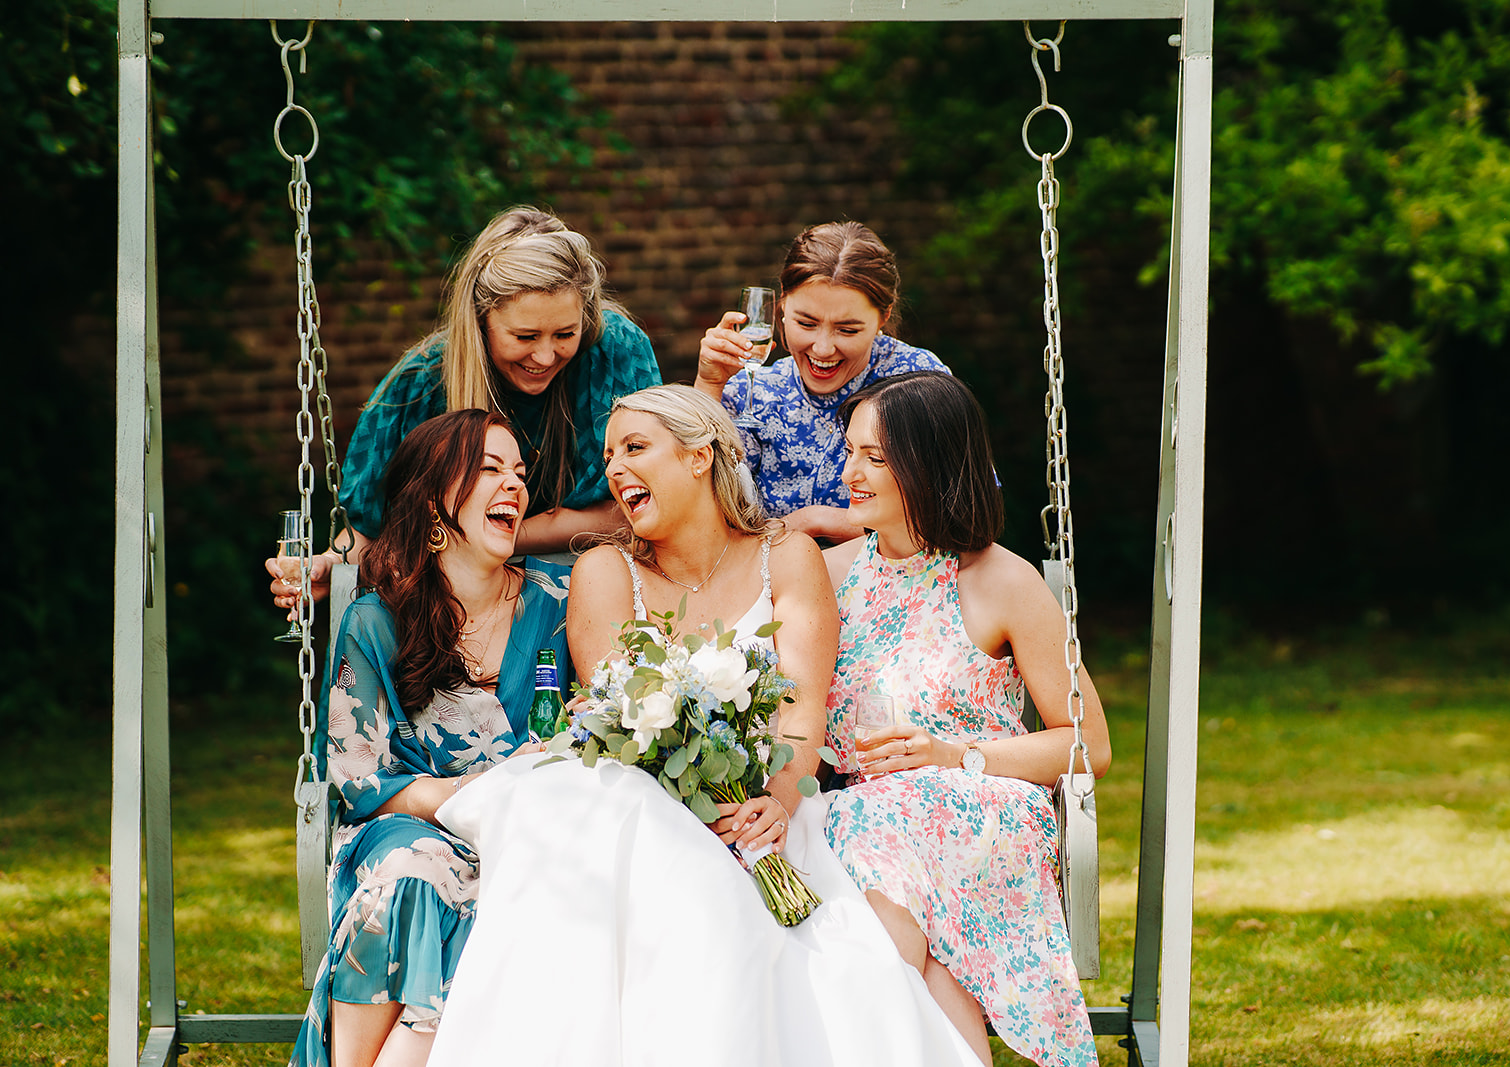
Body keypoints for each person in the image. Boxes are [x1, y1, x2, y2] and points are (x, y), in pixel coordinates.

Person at [422, 385, 982, 1066]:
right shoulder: (605, 570)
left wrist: (777, 800)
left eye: (635, 447)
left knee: (821, 959)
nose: (615, 469)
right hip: (639, 802)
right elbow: (620, 718)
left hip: (765, 809)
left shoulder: (787, 555)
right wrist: (703, 802)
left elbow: (805, 709)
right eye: (609, 455)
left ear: (699, 456)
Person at [820, 371, 1113, 1067]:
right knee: (917, 928)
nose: (849, 472)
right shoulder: (829, 575)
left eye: (875, 458)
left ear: (929, 465)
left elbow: (1088, 743)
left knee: (878, 846)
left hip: (980, 810)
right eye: (851, 450)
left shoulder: (1002, 580)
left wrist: (952, 754)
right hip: (866, 815)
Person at [288, 409, 571, 1067]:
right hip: (403, 825)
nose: (515, 486)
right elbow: (356, 778)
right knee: (413, 873)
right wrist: (462, 793)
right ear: (437, 498)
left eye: (520, 473)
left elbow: (585, 728)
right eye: (491, 469)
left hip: (527, 835)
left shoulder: (556, 605)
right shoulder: (376, 619)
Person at [267, 206, 660, 616]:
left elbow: (635, 504)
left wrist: (497, 534)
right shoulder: (418, 384)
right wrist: (330, 567)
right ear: (480, 319)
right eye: (524, 336)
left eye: (565, 333)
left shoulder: (615, 352)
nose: (545, 356)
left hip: (595, 596)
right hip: (455, 611)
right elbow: (370, 532)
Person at [693, 221, 949, 543]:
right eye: (807, 323)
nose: (823, 348)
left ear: (883, 317)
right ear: (782, 305)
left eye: (847, 330)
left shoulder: (918, 378)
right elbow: (695, 511)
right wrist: (708, 386)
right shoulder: (749, 391)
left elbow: (954, 507)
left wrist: (817, 521)